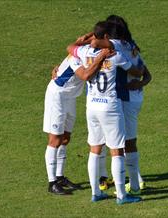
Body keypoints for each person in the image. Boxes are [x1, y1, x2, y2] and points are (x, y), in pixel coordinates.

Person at [67, 21, 143, 204]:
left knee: (95, 149)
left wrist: (84, 40)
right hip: (110, 106)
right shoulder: (115, 56)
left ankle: (96, 193)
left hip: (91, 106)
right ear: (108, 37)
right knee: (116, 150)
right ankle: (122, 196)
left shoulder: (85, 52)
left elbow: (71, 48)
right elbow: (136, 71)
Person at [89, 15, 152, 194]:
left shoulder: (114, 45)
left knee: (123, 144)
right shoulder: (131, 46)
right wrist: (139, 83)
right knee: (128, 141)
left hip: (124, 99)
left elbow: (93, 44)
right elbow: (146, 74)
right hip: (135, 97)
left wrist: (90, 36)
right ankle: (134, 180)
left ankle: (134, 184)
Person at [43, 47, 112, 195]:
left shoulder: (87, 55)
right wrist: (101, 58)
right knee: (55, 139)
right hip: (57, 96)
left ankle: (60, 177)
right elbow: (85, 75)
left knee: (66, 137)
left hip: (70, 97)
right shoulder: (77, 57)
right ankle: (52, 182)